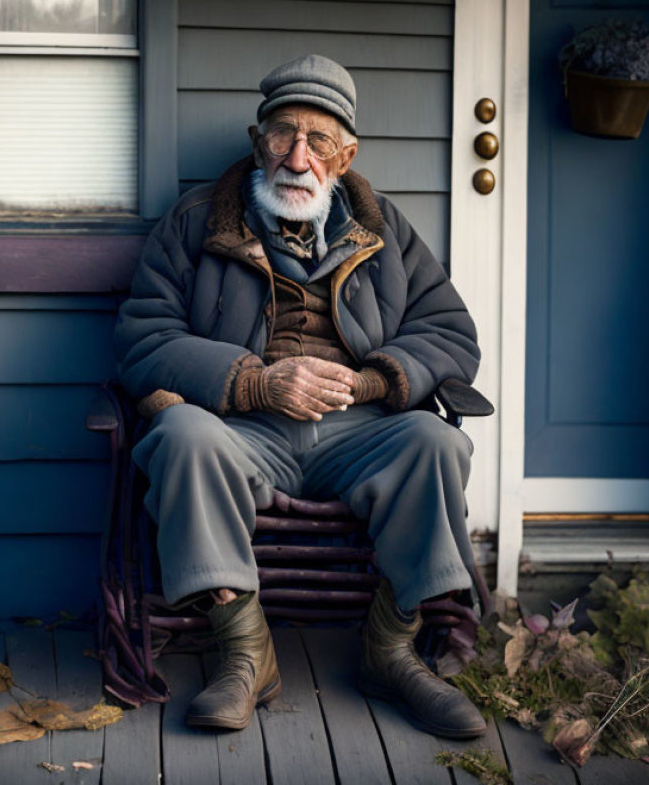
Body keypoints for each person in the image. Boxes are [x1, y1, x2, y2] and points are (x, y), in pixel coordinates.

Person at [113, 54, 486, 739]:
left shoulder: (384, 229)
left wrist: (378, 380)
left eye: (318, 141)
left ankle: (390, 650)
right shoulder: (197, 221)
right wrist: (255, 381)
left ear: (344, 158)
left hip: (359, 428)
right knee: (179, 437)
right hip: (243, 427)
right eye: (283, 134)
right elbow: (144, 338)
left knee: (437, 441)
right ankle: (244, 654)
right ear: (259, 143)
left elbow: (451, 333)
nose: (298, 155)